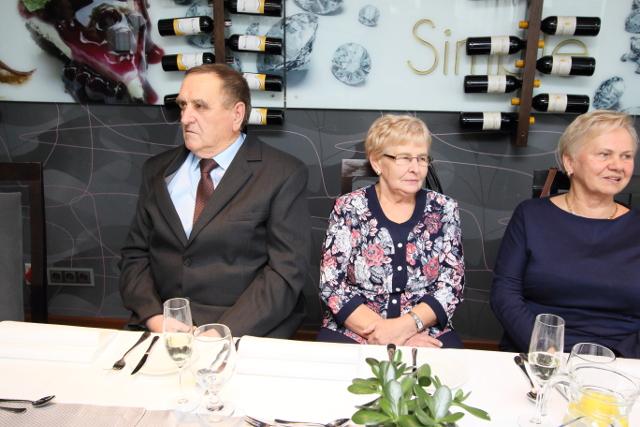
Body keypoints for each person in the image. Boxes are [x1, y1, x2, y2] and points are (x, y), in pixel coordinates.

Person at [119, 64, 310, 337]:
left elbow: (285, 272)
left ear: (237, 114)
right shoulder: (156, 170)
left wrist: (223, 331)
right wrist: (154, 317)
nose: (186, 118)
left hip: (244, 329)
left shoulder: (282, 174)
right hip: (165, 326)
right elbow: (135, 255)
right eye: (183, 105)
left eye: (200, 106)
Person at [491, 110, 640, 356]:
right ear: (570, 162)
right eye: (604, 154)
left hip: (624, 360)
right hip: (541, 353)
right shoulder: (531, 215)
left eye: (626, 156)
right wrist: (545, 350)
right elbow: (504, 293)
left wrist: (618, 360)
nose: (617, 166)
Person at [317, 115, 465, 347]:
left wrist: (404, 329)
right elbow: (332, 284)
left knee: (445, 369)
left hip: (424, 329)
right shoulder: (348, 207)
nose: (415, 168)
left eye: (422, 158)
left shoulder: (444, 208)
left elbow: (451, 284)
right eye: (404, 158)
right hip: (354, 327)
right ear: (377, 162)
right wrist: (386, 334)